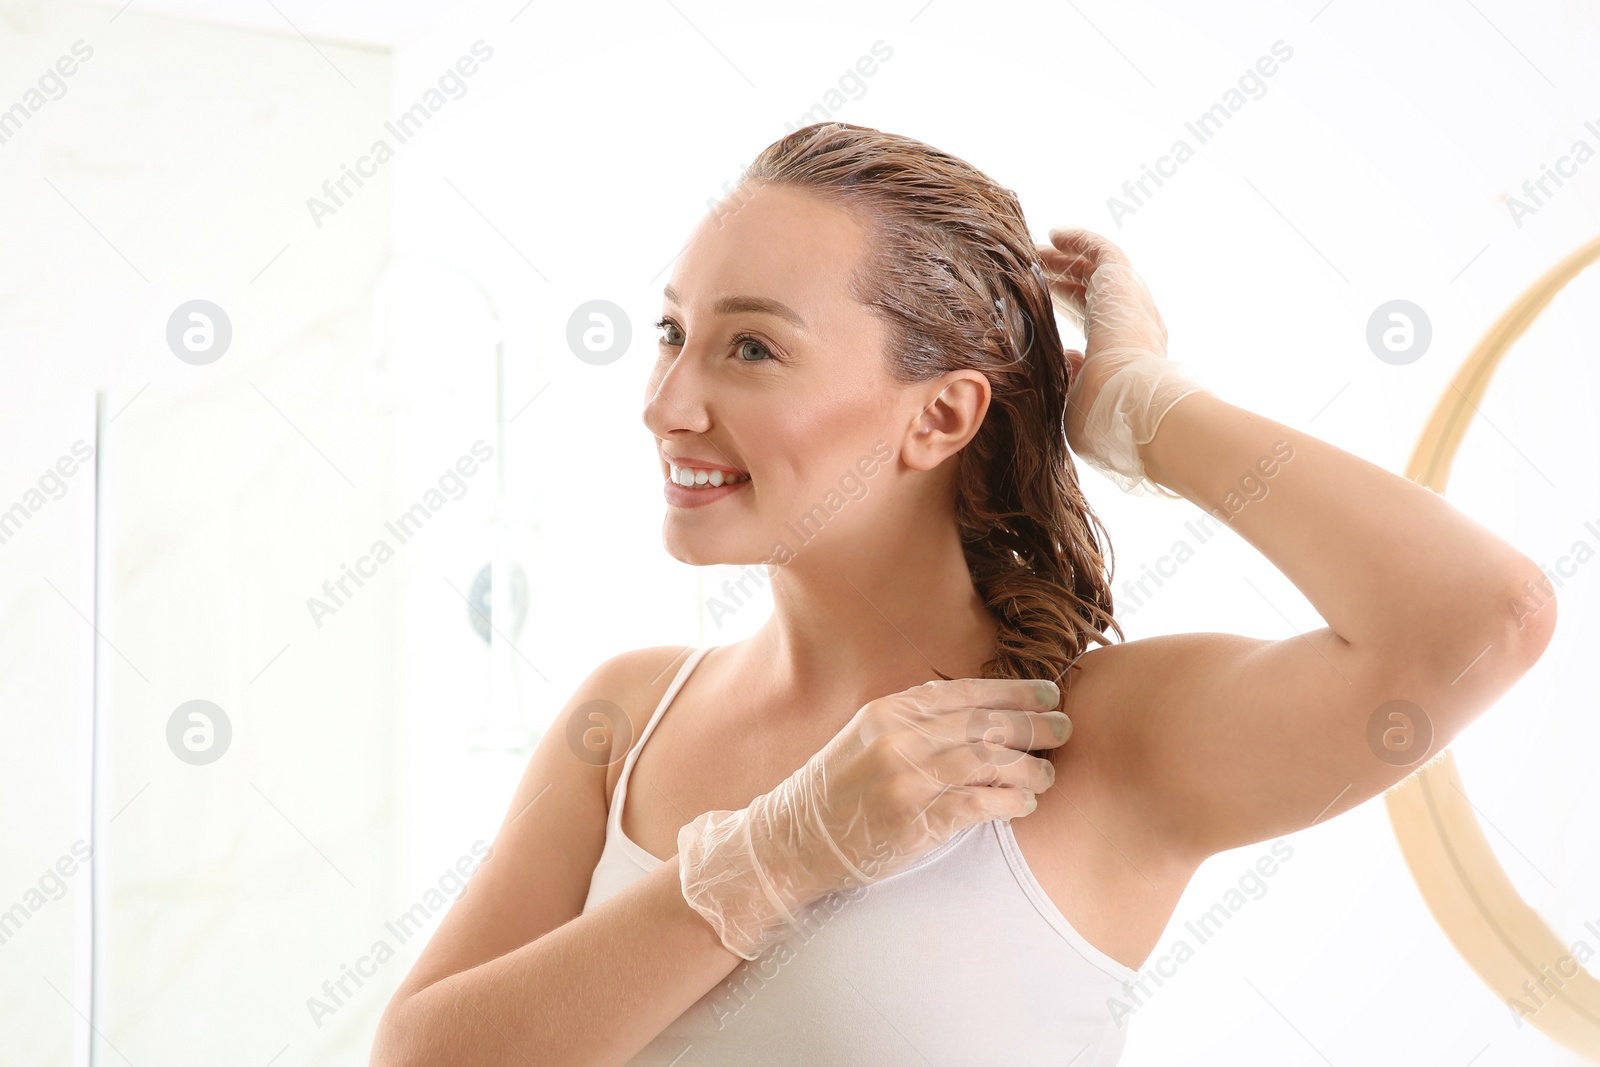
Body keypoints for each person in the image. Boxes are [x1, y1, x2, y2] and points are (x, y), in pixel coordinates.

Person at [368, 122, 1555, 1066]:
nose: (667, 401)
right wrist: (766, 861)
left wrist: (1139, 408)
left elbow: (1480, 617)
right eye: (669, 333)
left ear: (939, 413)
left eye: (750, 348)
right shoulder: (627, 715)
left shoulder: (1101, 736)